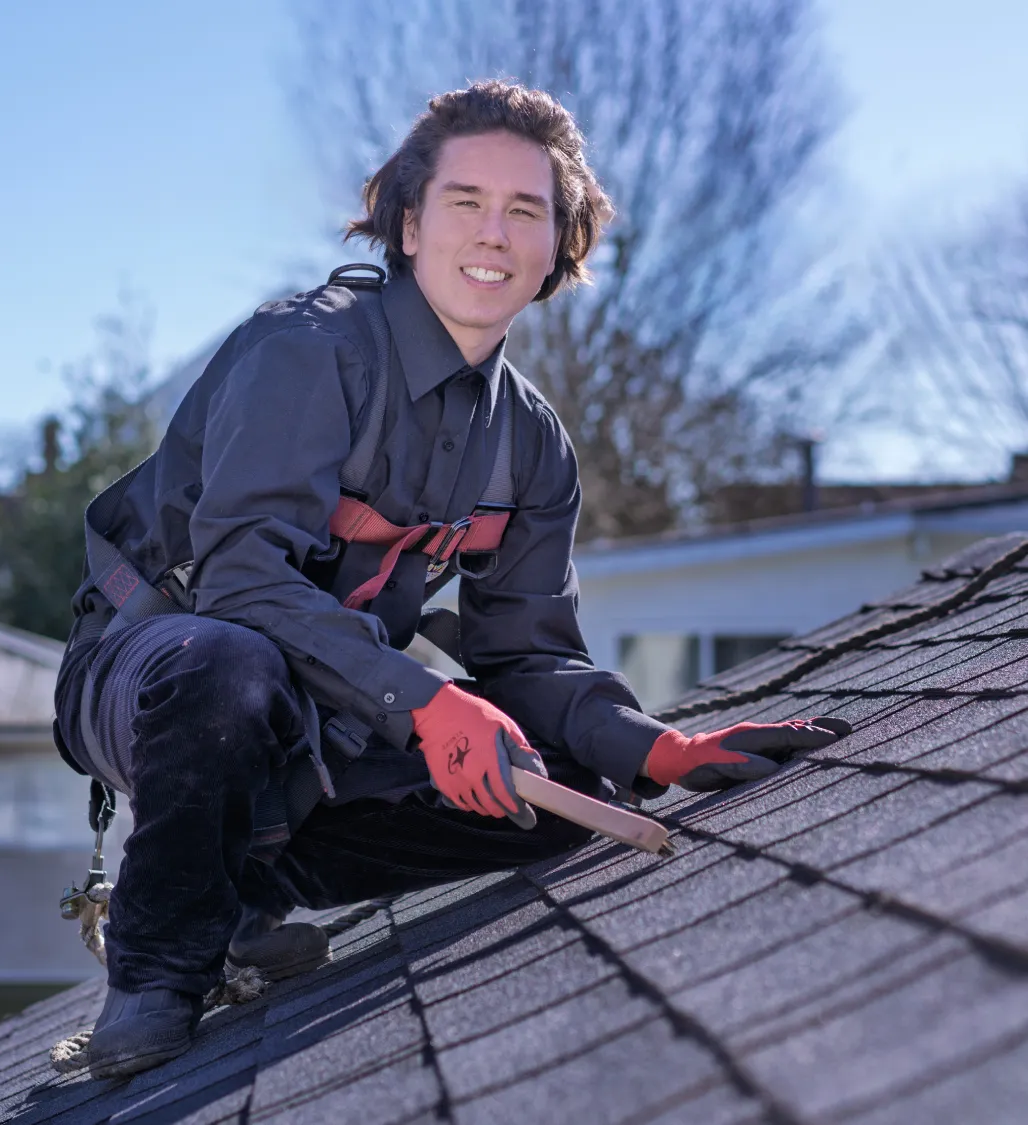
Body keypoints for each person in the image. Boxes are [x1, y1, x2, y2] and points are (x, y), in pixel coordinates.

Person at [52, 79, 849, 1080]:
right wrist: (424, 703)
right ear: (408, 219)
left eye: (528, 210)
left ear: (560, 245)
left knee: (562, 787)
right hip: (157, 670)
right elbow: (240, 580)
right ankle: (160, 960)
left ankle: (245, 888)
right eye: (466, 201)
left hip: (327, 710)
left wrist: (658, 751)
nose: (495, 232)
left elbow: (528, 654)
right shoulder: (305, 351)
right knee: (228, 665)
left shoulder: (532, 443)